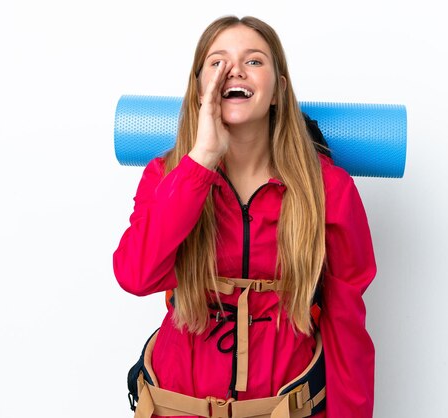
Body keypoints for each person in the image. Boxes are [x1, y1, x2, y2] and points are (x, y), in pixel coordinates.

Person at [114, 15, 376, 417]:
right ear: (200, 89)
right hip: (174, 406)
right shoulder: (165, 176)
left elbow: (346, 327)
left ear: (278, 91)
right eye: (217, 63)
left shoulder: (329, 189)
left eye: (254, 61)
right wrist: (200, 161)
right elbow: (136, 275)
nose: (234, 69)